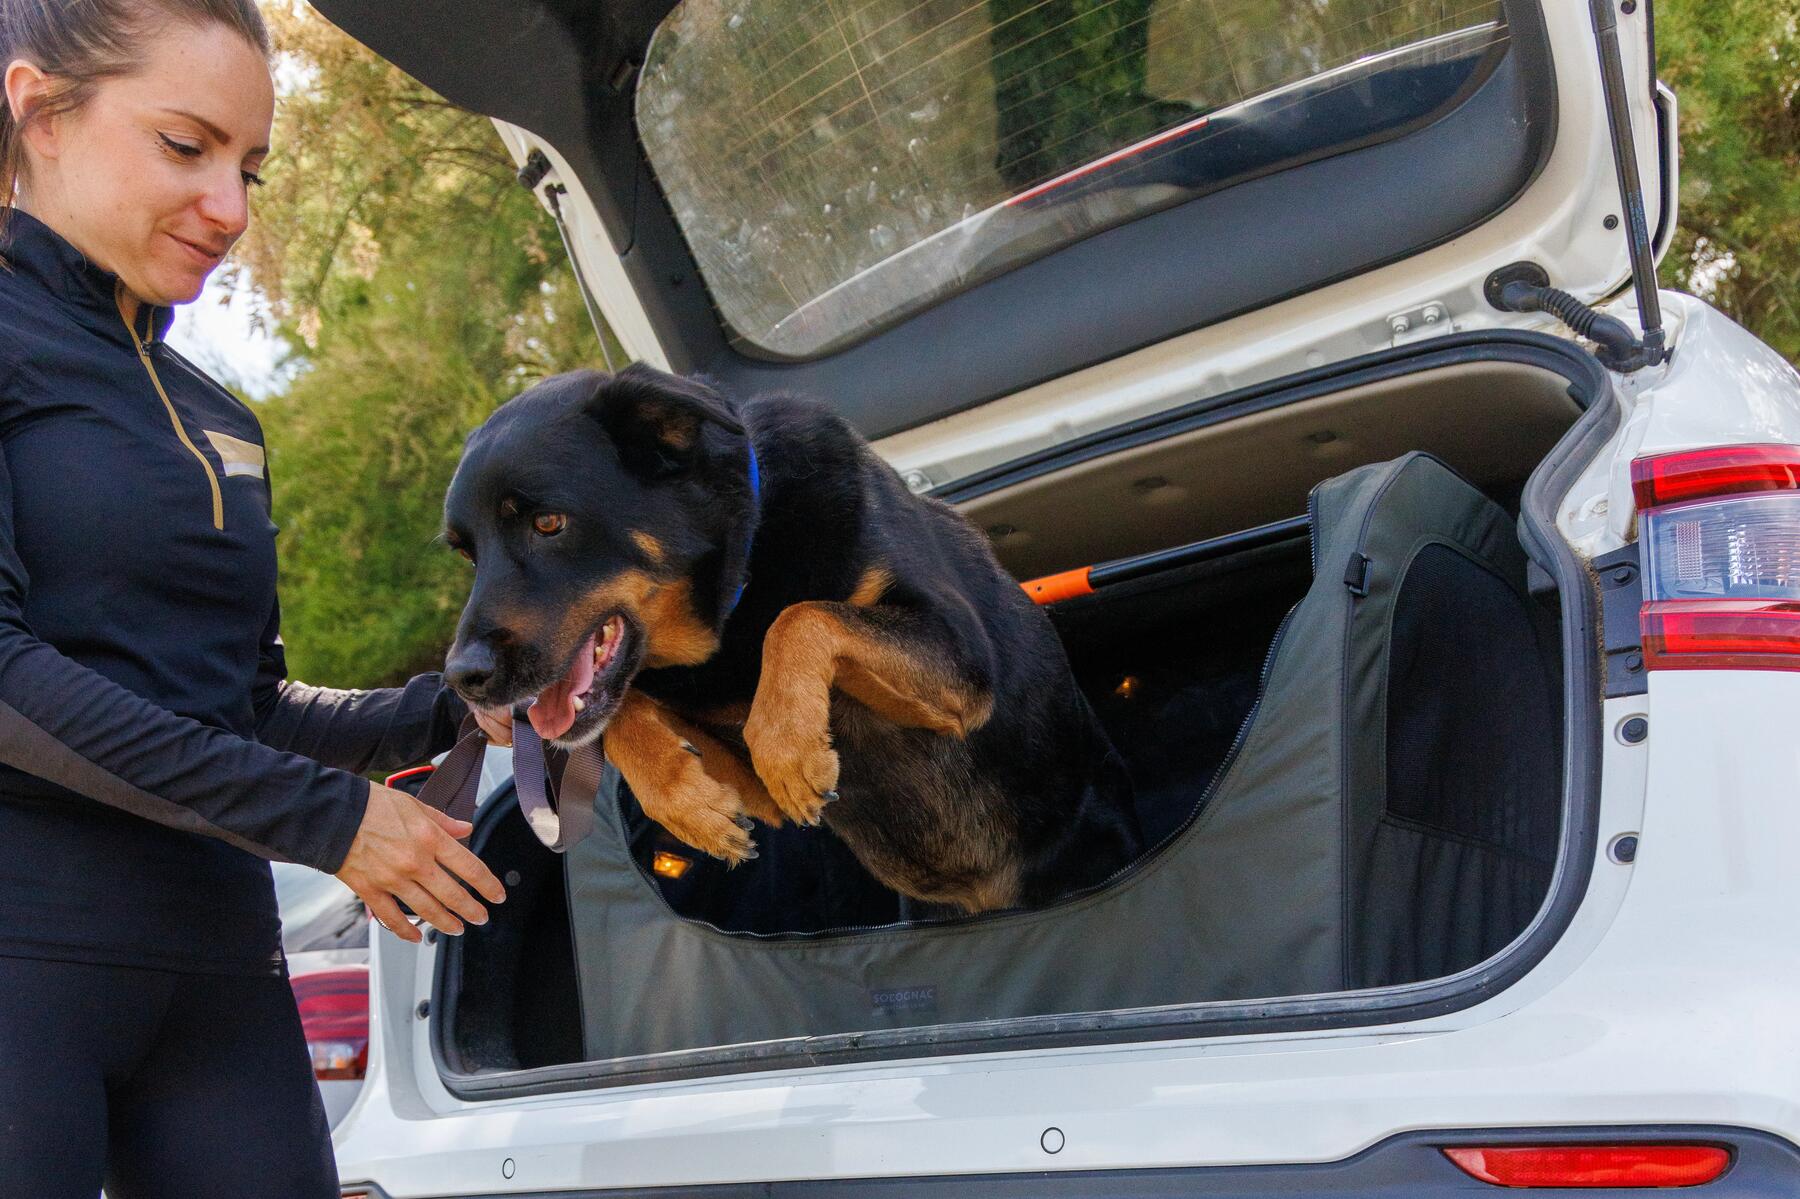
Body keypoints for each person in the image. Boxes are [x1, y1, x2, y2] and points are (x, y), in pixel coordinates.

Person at [0, 2, 513, 1195]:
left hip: (220, 973)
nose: (230, 209)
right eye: (187, 147)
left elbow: (241, 705)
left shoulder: (219, 413)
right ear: (39, 112)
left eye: (252, 166)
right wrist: (331, 823)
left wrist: (449, 713)